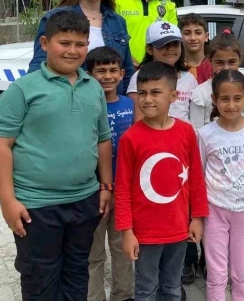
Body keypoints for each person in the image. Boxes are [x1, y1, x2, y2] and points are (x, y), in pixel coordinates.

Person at [0, 10, 113, 300]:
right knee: (40, 278)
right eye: (64, 43)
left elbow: (103, 140)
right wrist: (8, 201)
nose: (72, 51)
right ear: (45, 43)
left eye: (80, 44)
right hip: (37, 207)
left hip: (84, 201)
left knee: (76, 272)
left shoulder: (93, 87)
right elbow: (0, 145)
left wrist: (105, 186)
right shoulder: (23, 90)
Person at [115, 62, 208, 301]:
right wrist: (127, 232)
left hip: (178, 229)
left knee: (172, 288)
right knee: (145, 290)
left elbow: (196, 178)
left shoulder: (186, 132)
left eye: (156, 92)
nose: (147, 100)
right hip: (145, 233)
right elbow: (123, 189)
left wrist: (197, 218)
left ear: (173, 96)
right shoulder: (131, 138)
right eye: (143, 93)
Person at [197, 69, 244, 301]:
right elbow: (198, 174)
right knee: (217, 272)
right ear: (214, 100)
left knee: (240, 271)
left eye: (237, 98)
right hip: (214, 210)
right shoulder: (205, 134)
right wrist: (199, 212)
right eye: (224, 99)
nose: (231, 105)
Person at [28, 0, 134, 94]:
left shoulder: (118, 22)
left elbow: (127, 72)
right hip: (70, 102)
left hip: (111, 108)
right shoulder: (56, 17)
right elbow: (39, 64)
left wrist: (127, 106)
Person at [85, 46, 135, 301]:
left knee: (122, 247)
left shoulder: (130, 105)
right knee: (93, 252)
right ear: (89, 74)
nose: (107, 76)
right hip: (93, 191)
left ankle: (123, 294)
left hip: (125, 191)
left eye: (113, 70)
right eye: (100, 71)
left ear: (122, 73)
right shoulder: (85, 107)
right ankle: (94, 296)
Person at [189, 31, 244, 130]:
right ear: (210, 61)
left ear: (240, 59)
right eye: (219, 62)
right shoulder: (201, 94)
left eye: (232, 62)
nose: (226, 68)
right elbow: (196, 132)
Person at [127, 21, 197, 123]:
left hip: (184, 137)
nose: (171, 48)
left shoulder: (190, 79)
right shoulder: (139, 76)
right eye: (164, 45)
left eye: (175, 44)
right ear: (150, 49)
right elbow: (139, 120)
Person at [179, 13, 213, 84]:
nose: (193, 38)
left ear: (206, 37)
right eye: (187, 33)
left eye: (198, 33)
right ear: (180, 37)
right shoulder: (176, 68)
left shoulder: (214, 66)